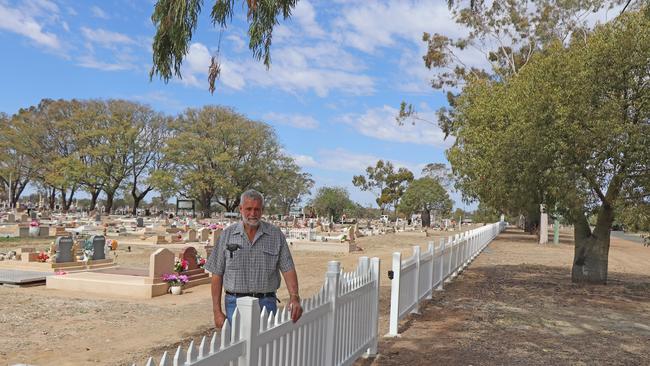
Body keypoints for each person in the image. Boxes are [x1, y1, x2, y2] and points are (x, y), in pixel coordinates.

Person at [204, 189, 303, 329]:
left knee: (265, 347)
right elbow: (217, 274)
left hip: (266, 302)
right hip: (235, 303)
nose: (252, 214)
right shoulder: (227, 235)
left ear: (262, 210)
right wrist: (217, 311)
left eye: (257, 209)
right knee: (237, 347)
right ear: (241, 209)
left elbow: (288, 268)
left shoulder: (275, 235)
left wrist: (294, 296)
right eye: (248, 209)